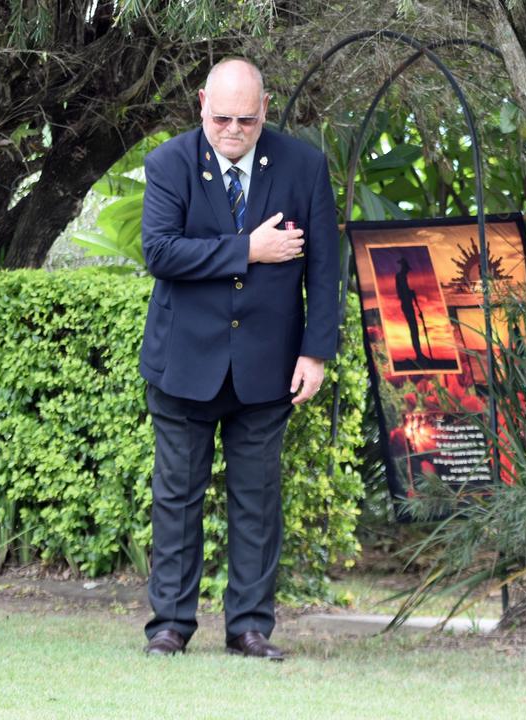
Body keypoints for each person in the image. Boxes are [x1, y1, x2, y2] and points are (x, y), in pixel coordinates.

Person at [136, 58, 338, 660]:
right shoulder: (170, 163)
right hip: (183, 363)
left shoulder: (303, 165)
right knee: (177, 500)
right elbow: (161, 252)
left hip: (267, 365)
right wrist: (248, 250)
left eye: (245, 120)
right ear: (201, 104)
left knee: (257, 501)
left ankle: (250, 628)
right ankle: (169, 626)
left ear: (265, 110)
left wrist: (317, 351)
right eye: (221, 117)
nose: (232, 130)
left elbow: (326, 269)